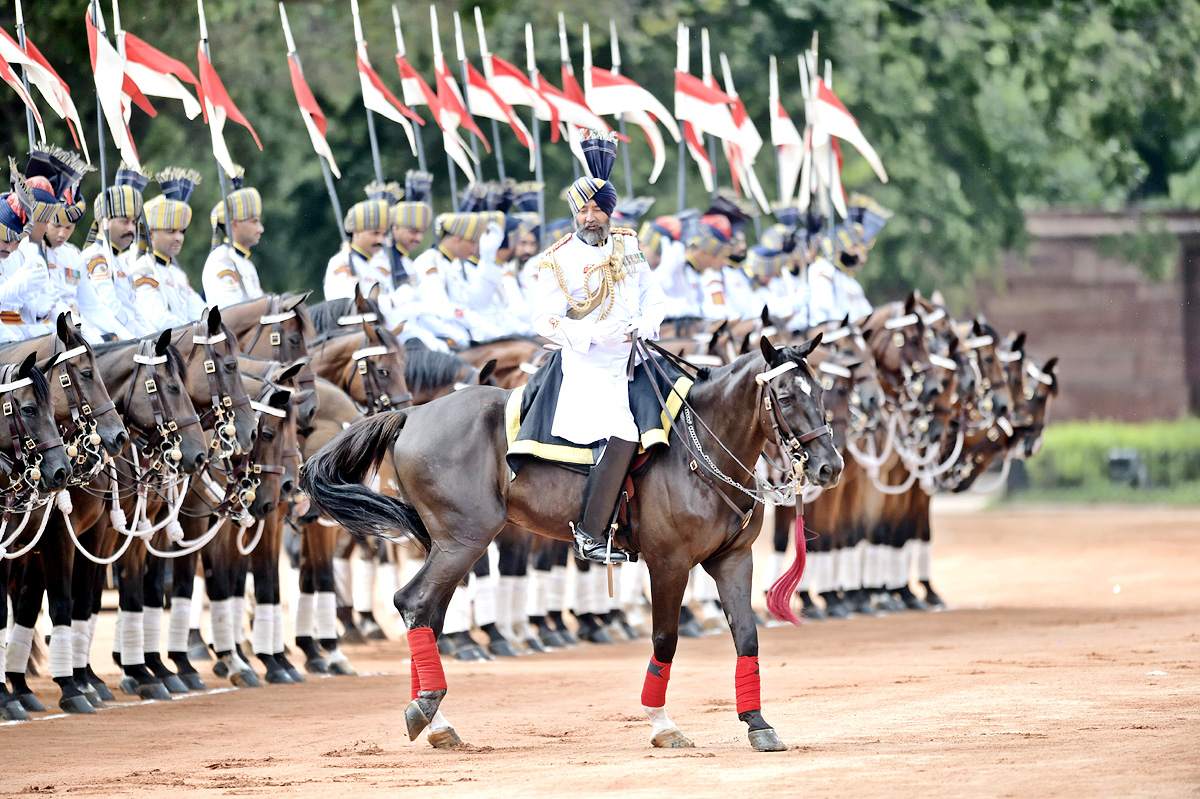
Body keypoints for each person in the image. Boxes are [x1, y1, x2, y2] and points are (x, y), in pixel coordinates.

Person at [529, 130, 666, 563]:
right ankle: (590, 534)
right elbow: (542, 320)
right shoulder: (556, 259)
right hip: (587, 364)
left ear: (610, 213)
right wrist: (593, 335)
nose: (591, 216)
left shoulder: (628, 243)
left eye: (598, 209)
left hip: (637, 355)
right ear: (573, 213)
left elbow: (653, 294)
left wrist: (647, 322)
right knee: (624, 433)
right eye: (583, 209)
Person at [409, 189, 506, 345]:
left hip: (465, 334)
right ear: (457, 238)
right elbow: (440, 308)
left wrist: (488, 259)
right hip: (443, 338)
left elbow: (477, 304)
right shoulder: (428, 262)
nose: (475, 249)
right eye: (472, 242)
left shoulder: (454, 266)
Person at [81, 163, 154, 336]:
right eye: (124, 221)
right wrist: (142, 337)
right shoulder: (96, 257)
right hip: (111, 340)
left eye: (133, 222)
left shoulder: (121, 261)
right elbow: (111, 307)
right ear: (103, 222)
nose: (131, 228)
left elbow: (134, 310)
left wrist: (155, 334)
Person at [130, 168, 207, 328]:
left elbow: (201, 313)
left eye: (181, 231)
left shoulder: (178, 274)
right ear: (151, 234)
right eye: (171, 231)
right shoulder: (144, 270)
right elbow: (160, 322)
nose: (179, 238)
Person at [807, 196, 891, 326]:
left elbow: (867, 315)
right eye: (854, 247)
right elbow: (822, 313)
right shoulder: (822, 269)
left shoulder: (852, 283)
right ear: (839, 248)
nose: (859, 255)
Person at [202, 166, 264, 307]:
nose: (261, 229)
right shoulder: (222, 260)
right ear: (234, 225)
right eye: (254, 221)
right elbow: (232, 311)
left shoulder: (247, 264)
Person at [323, 184, 395, 301]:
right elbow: (346, 304)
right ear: (356, 232)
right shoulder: (341, 262)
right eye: (375, 233)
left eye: (384, 234)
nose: (380, 240)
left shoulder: (380, 264)